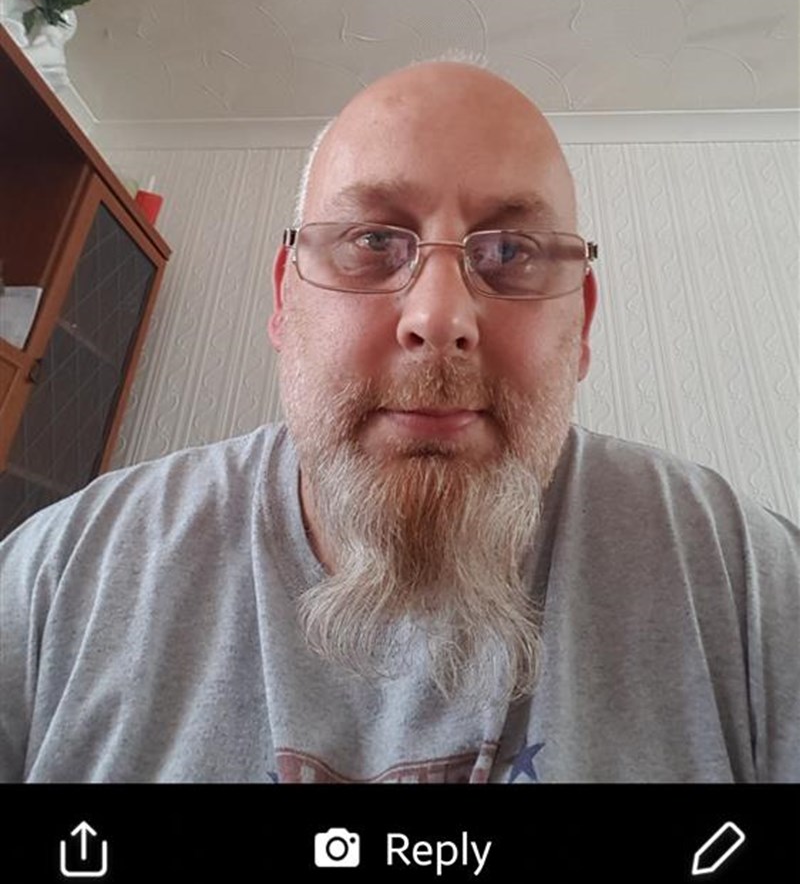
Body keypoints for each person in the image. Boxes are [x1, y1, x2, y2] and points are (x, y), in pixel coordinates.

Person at [1, 61, 798, 783]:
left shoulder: (739, 574)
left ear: (582, 321)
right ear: (285, 297)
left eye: (511, 252)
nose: (438, 317)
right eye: (374, 240)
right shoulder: (62, 576)